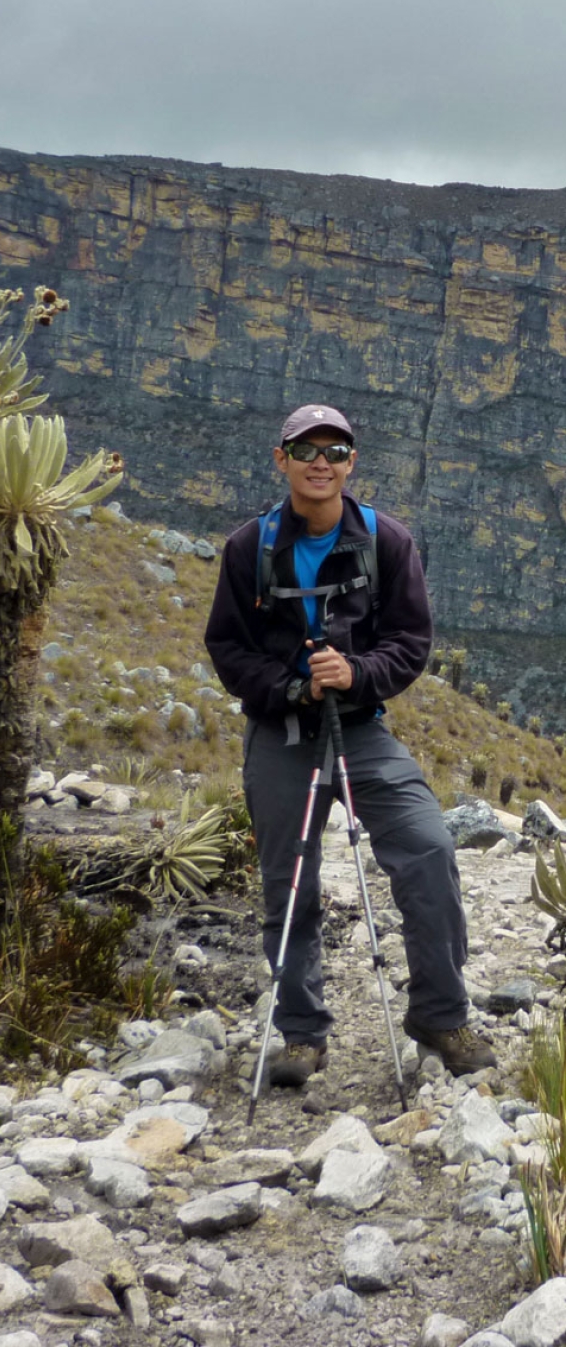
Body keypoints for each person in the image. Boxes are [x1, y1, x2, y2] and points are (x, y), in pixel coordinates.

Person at [204, 403, 496, 1086]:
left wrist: (357, 673)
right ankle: (302, 1035)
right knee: (290, 881)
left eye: (335, 450)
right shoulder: (250, 548)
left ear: (350, 463)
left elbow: (411, 642)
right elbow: (226, 647)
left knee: (428, 847)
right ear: (282, 460)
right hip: (281, 734)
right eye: (306, 448)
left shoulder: (385, 541)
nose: (320, 461)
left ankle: (440, 1014)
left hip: (361, 731)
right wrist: (292, 687)